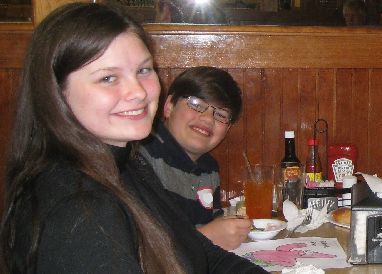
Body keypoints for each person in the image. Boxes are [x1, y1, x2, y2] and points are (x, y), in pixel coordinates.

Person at [0, 3, 265, 273]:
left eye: (143, 70)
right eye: (108, 78)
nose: (138, 92)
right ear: (56, 93)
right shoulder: (80, 211)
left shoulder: (126, 168)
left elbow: (201, 253)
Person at [139, 66, 251, 250]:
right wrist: (206, 237)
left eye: (221, 115)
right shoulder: (141, 157)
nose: (208, 119)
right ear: (169, 106)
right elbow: (138, 250)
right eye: (196, 104)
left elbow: (212, 230)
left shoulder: (208, 169)